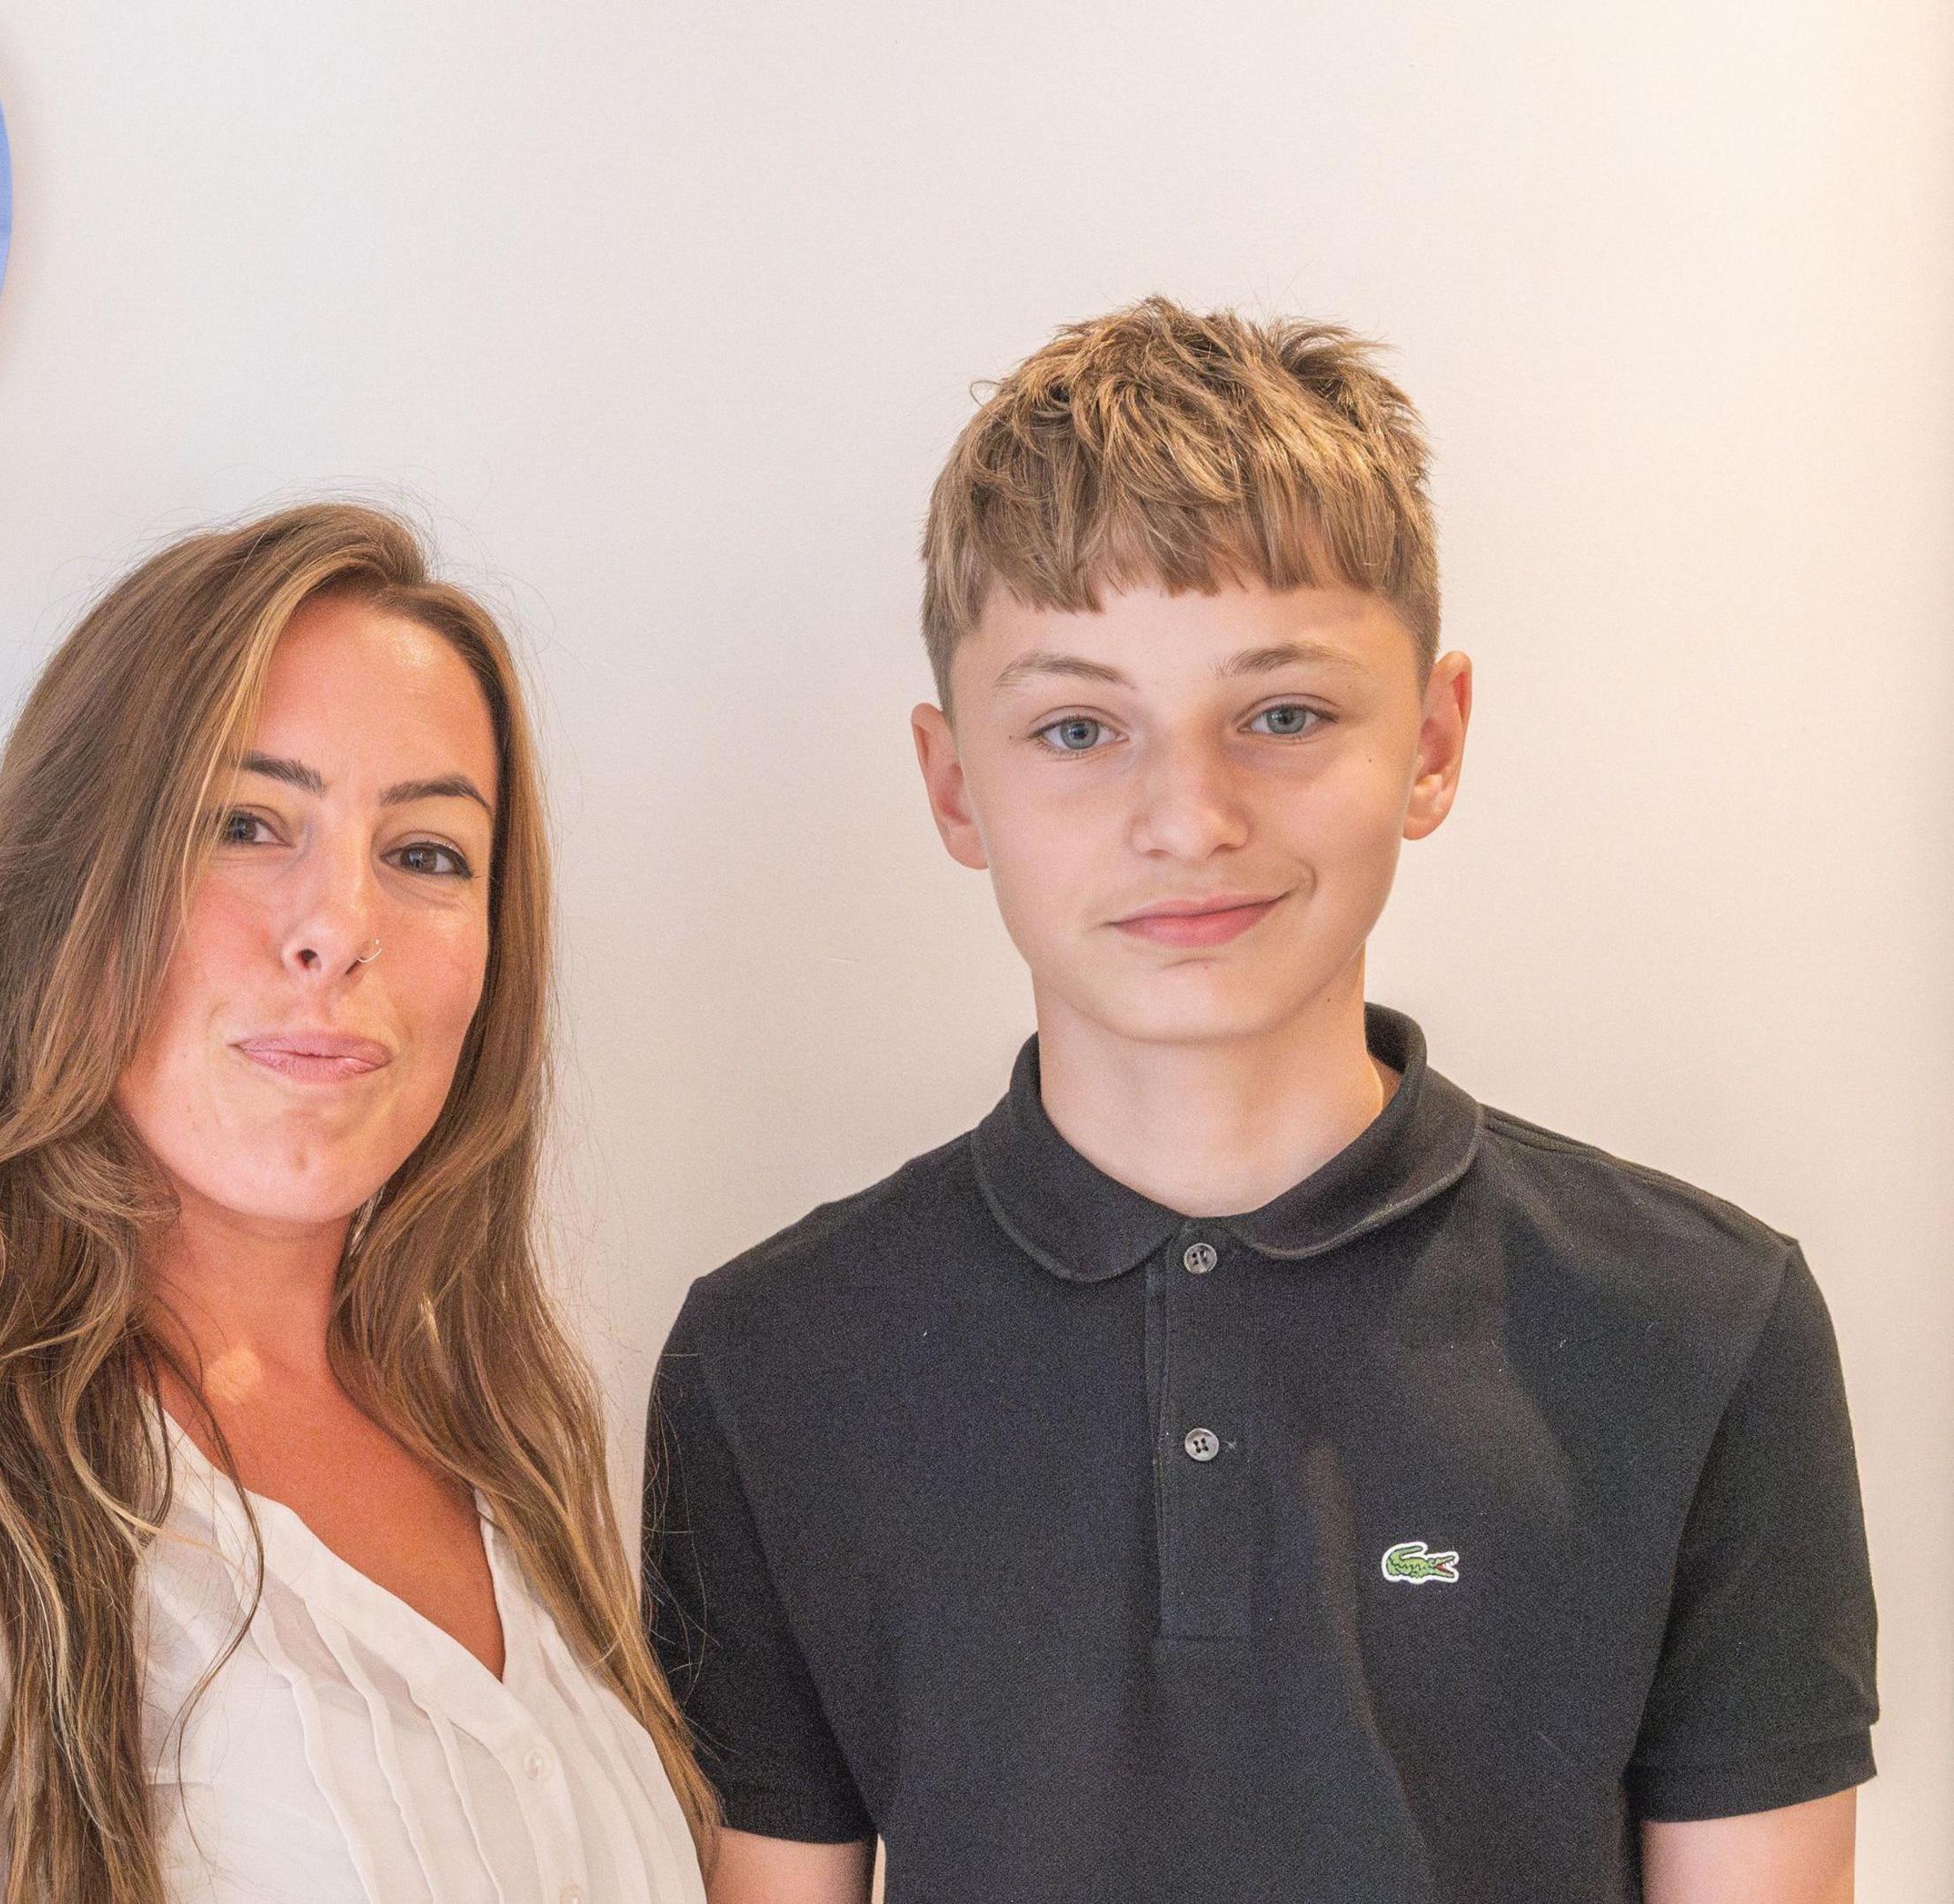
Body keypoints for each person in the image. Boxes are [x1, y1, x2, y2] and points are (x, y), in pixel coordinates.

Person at [646, 301, 1876, 1904]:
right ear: (956, 787)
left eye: (1283, 715)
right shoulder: (771, 1362)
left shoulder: (1702, 1323)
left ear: (1431, 744)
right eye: (1078, 728)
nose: (1188, 816)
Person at [0, 502, 709, 1903]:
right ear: (83, 893)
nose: (339, 926)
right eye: (249, 825)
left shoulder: (513, 1454)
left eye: (428, 853)